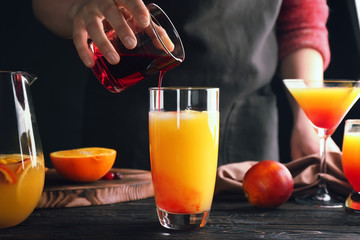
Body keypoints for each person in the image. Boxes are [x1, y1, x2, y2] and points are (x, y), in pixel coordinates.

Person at [32, 0, 340, 170]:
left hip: (248, 136)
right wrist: (77, 9)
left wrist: (308, 119)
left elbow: (302, 20)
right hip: (130, 134)